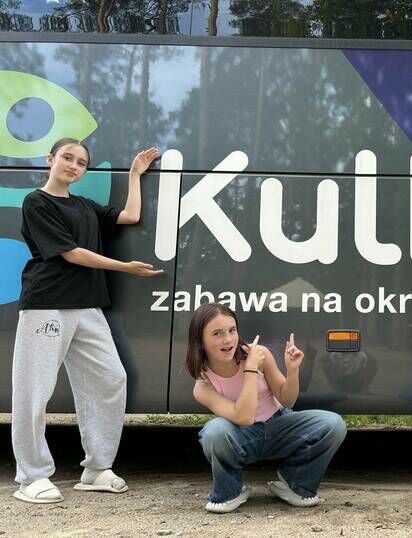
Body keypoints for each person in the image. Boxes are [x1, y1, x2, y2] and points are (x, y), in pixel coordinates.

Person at [12, 138, 162, 504]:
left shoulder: (84, 206)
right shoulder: (36, 202)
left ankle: (96, 468)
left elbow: (130, 216)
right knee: (34, 390)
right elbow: (71, 253)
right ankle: (31, 476)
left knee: (111, 378)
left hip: (88, 306)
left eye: (81, 162)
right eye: (67, 157)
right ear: (50, 159)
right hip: (47, 304)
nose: (74, 165)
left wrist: (135, 174)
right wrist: (124, 267)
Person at [185, 303, 347, 514]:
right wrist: (251, 369)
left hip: (279, 424)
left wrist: (292, 370)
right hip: (242, 436)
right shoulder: (203, 385)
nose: (228, 340)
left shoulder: (259, 354)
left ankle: (295, 484)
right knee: (214, 431)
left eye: (232, 330)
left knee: (333, 424)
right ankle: (230, 492)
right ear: (200, 340)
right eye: (217, 333)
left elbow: (287, 400)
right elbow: (243, 417)